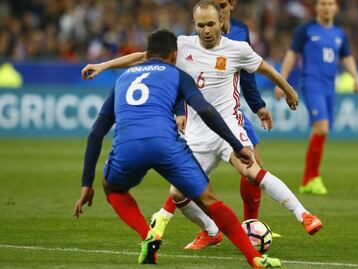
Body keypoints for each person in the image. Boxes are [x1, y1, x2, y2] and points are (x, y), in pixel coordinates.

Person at [82, 0, 322, 250]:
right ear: (194, 25)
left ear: (221, 21)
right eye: (200, 25)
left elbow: (266, 70)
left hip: (228, 127)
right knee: (177, 195)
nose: (206, 30)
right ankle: (210, 231)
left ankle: (304, 215)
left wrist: (288, 89)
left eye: (210, 24)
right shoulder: (182, 45)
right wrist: (103, 65)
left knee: (251, 171)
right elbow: (143, 57)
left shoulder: (237, 49)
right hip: (197, 135)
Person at [73, 28, 281, 268]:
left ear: (147, 53)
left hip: (127, 146)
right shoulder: (177, 74)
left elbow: (96, 132)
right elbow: (204, 110)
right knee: (210, 200)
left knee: (113, 189)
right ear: (174, 55)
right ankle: (253, 257)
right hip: (166, 145)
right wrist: (236, 145)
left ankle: (147, 235)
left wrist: (86, 184)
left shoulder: (124, 79)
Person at [149, 0, 275, 249]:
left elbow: (247, 74)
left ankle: (251, 225)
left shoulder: (240, 32)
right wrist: (179, 109)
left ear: (230, 5)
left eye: (222, 4)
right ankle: (176, 219)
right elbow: (181, 72)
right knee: (188, 176)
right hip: (202, 113)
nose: (219, 8)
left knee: (253, 165)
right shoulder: (193, 37)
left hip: (232, 109)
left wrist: (258, 105)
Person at [275, 0, 358, 195]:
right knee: (321, 127)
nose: (326, 7)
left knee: (321, 131)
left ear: (335, 8)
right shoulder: (306, 30)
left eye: (330, 3)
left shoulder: (339, 34)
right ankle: (310, 178)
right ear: (316, 8)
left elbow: (346, 57)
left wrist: (355, 78)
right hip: (312, 84)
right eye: (322, 3)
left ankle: (311, 178)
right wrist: (282, 82)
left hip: (330, 87)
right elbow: (291, 54)